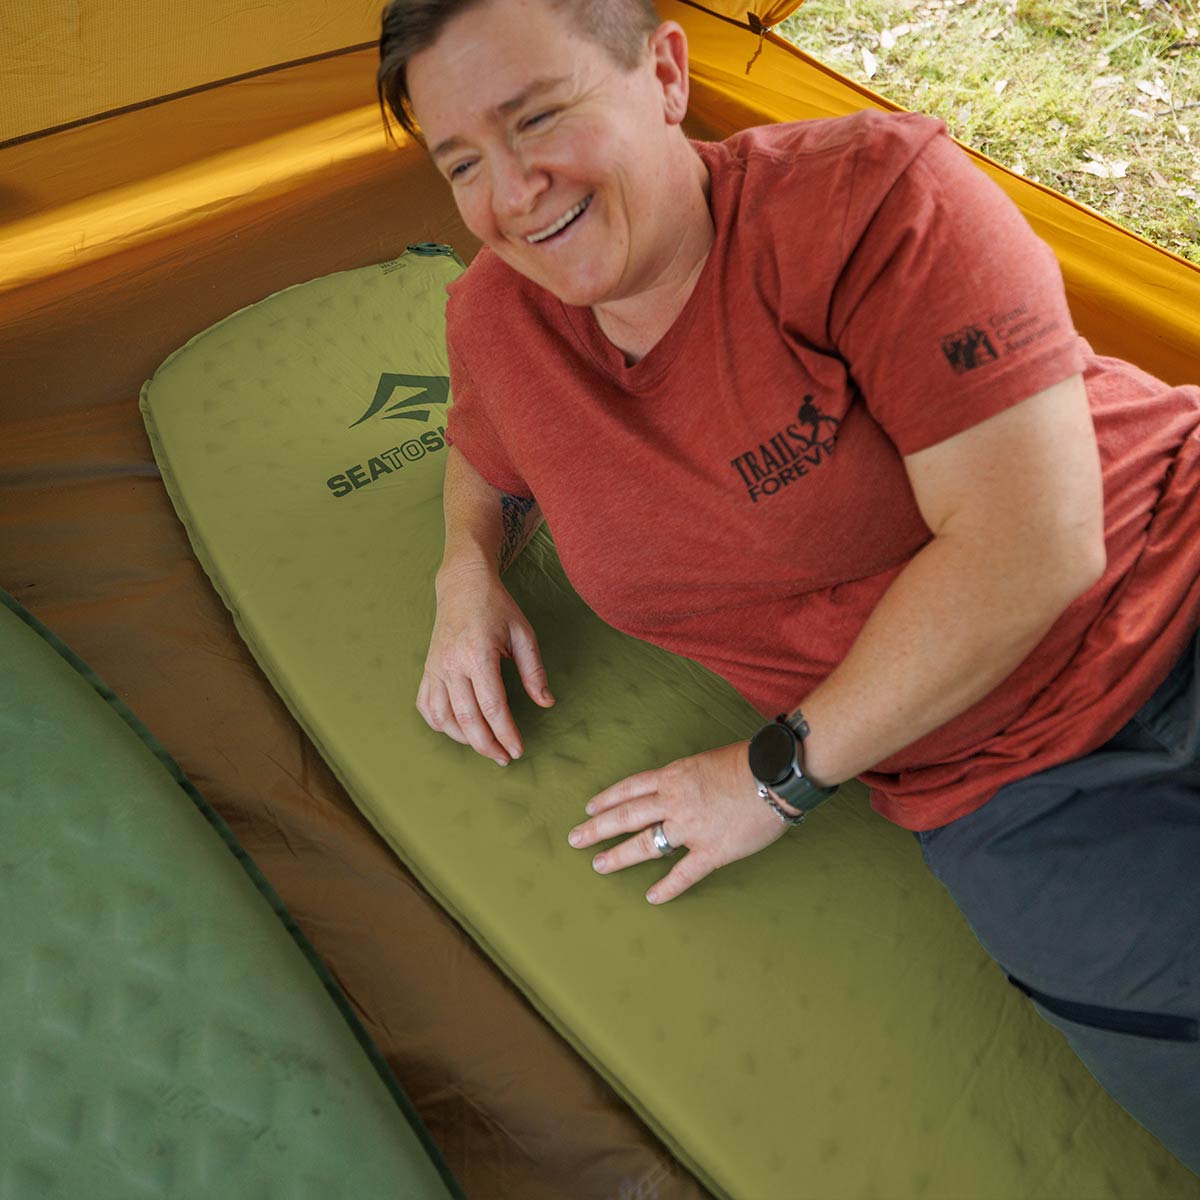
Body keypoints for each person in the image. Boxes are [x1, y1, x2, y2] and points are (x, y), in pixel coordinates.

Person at [377, 0, 1200, 1172]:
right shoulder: (501, 320)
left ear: (667, 74)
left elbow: (1033, 545)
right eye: (461, 162)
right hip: (1014, 787)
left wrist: (771, 777)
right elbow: (486, 442)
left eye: (540, 116)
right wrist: (465, 567)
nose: (512, 193)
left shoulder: (870, 199)